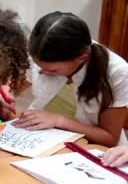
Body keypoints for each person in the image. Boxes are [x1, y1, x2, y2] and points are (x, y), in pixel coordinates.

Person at [14, 12, 128, 147]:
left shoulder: (117, 73)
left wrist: (59, 120)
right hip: (42, 139)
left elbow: (109, 138)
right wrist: (7, 96)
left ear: (82, 59)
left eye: (52, 70)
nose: (43, 72)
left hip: (94, 150)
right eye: (39, 66)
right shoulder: (42, 52)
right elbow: (16, 87)